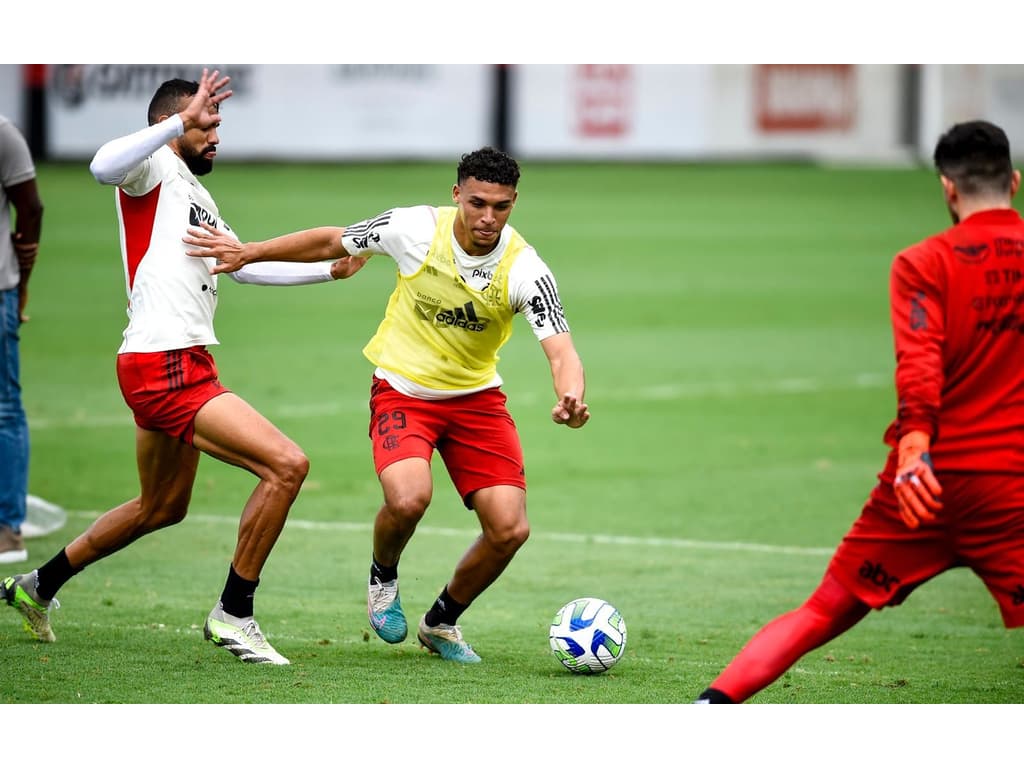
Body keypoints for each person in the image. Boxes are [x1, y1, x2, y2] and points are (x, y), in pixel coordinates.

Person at [183, 146, 590, 662]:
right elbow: (334, 240)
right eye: (478, 203)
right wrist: (251, 251)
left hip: (477, 400)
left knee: (510, 529)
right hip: (403, 390)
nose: (488, 217)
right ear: (456, 195)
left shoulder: (525, 268)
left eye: (502, 206)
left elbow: (562, 350)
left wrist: (570, 394)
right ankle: (384, 575)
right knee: (408, 498)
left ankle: (440, 623)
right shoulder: (412, 229)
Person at [1, 69, 337, 665]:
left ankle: (37, 586)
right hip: (166, 363)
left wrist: (328, 270)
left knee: (162, 506)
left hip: (169, 362)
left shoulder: (195, 195)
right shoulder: (148, 169)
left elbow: (243, 264)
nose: (215, 136)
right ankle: (234, 615)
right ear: (171, 124)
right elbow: (100, 165)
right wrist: (177, 124)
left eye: (215, 126)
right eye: (207, 124)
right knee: (286, 466)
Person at [696, 119, 1024, 703]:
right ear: (1015, 183)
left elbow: (919, 363)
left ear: (948, 188)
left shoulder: (923, 262)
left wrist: (915, 447)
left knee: (822, 610)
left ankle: (705, 713)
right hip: (1011, 490)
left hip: (920, 485)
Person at [0, 114, 43, 565]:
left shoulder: (2, 133)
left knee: (5, 406)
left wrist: (21, 280)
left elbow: (30, 208)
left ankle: (8, 528)